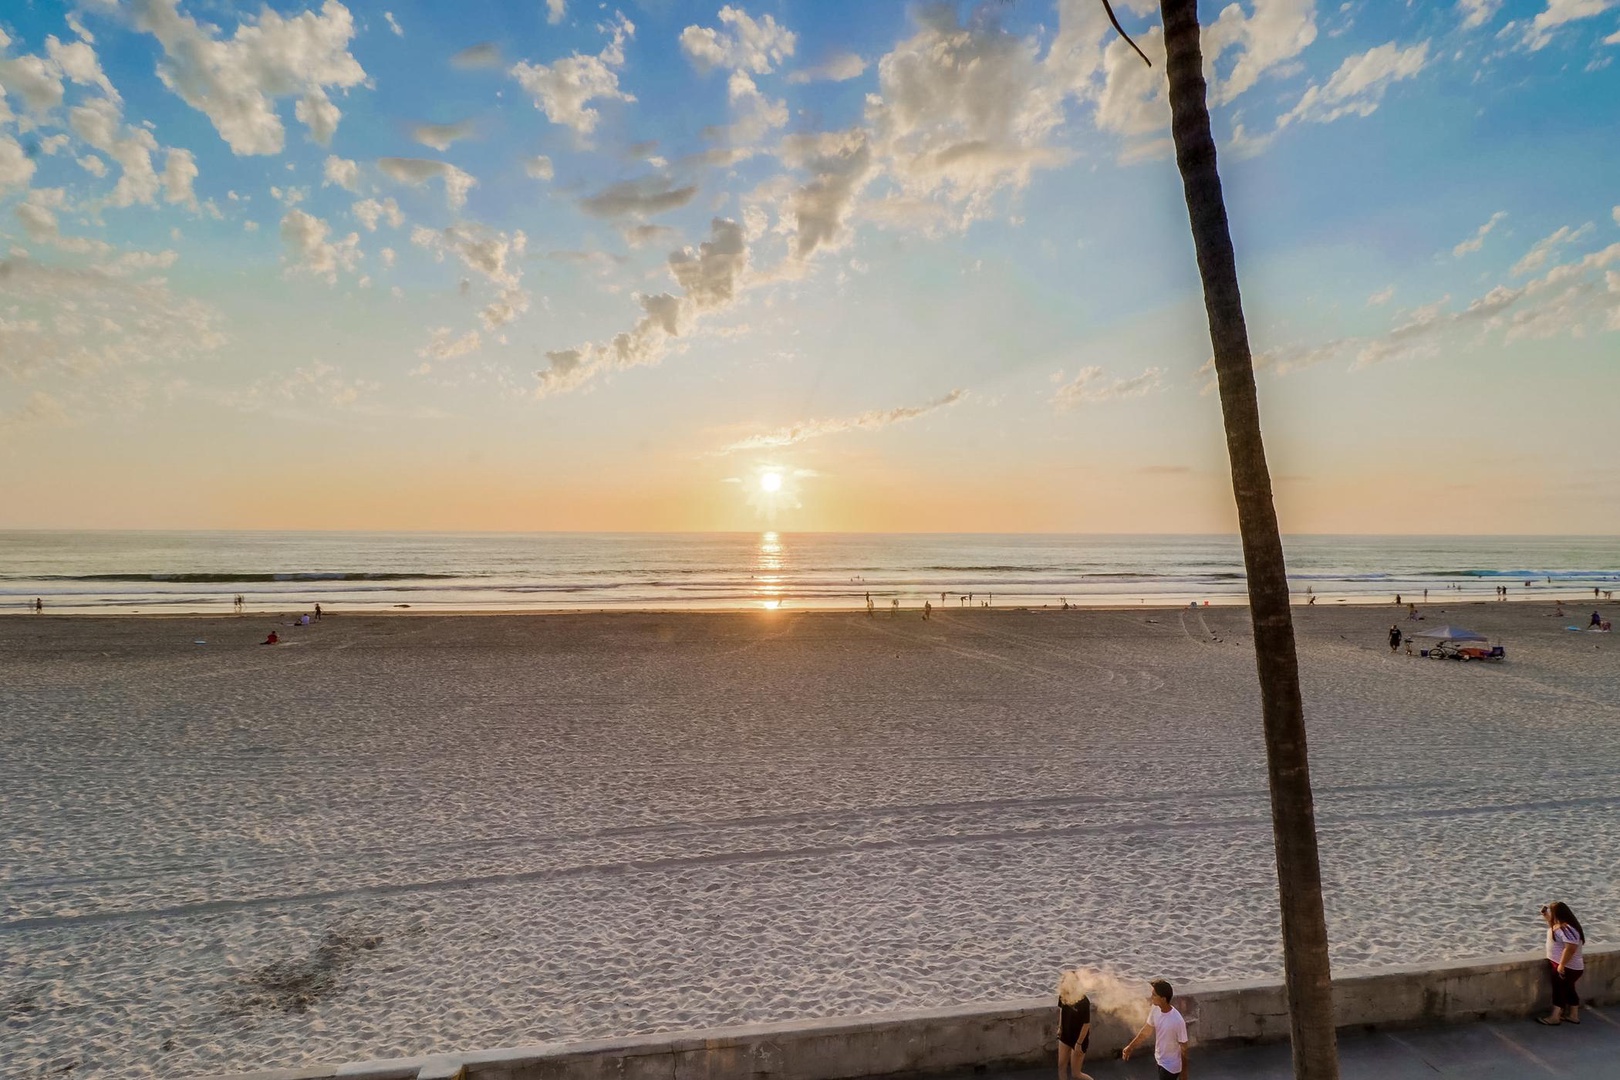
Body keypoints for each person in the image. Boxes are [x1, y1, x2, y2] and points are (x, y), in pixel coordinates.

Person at [1122, 979, 1188, 1079]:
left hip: (1171, 1067)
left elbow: (1184, 1048)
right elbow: (1146, 1030)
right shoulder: (1155, 1009)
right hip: (1160, 1060)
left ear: (1163, 999)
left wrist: (1184, 1075)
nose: (1151, 997)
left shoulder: (1177, 1021)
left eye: (1154, 995)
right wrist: (1130, 1047)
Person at [1538, 902, 1585, 1025]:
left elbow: (1570, 948)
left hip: (1567, 967)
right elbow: (1555, 930)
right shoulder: (1563, 926)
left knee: (1559, 990)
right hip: (1572, 967)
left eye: (1551, 912)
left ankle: (1554, 1017)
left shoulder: (1567, 928)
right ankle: (1573, 1015)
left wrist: (1561, 965)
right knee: (1569, 989)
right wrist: (1547, 917)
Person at [1056, 970, 1094, 1080]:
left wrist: (1079, 1043)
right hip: (1065, 1035)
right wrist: (1060, 1027)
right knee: (1061, 1066)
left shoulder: (1083, 1001)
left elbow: (1086, 1024)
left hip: (1079, 1039)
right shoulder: (1063, 994)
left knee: (1076, 1074)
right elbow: (1062, 1011)